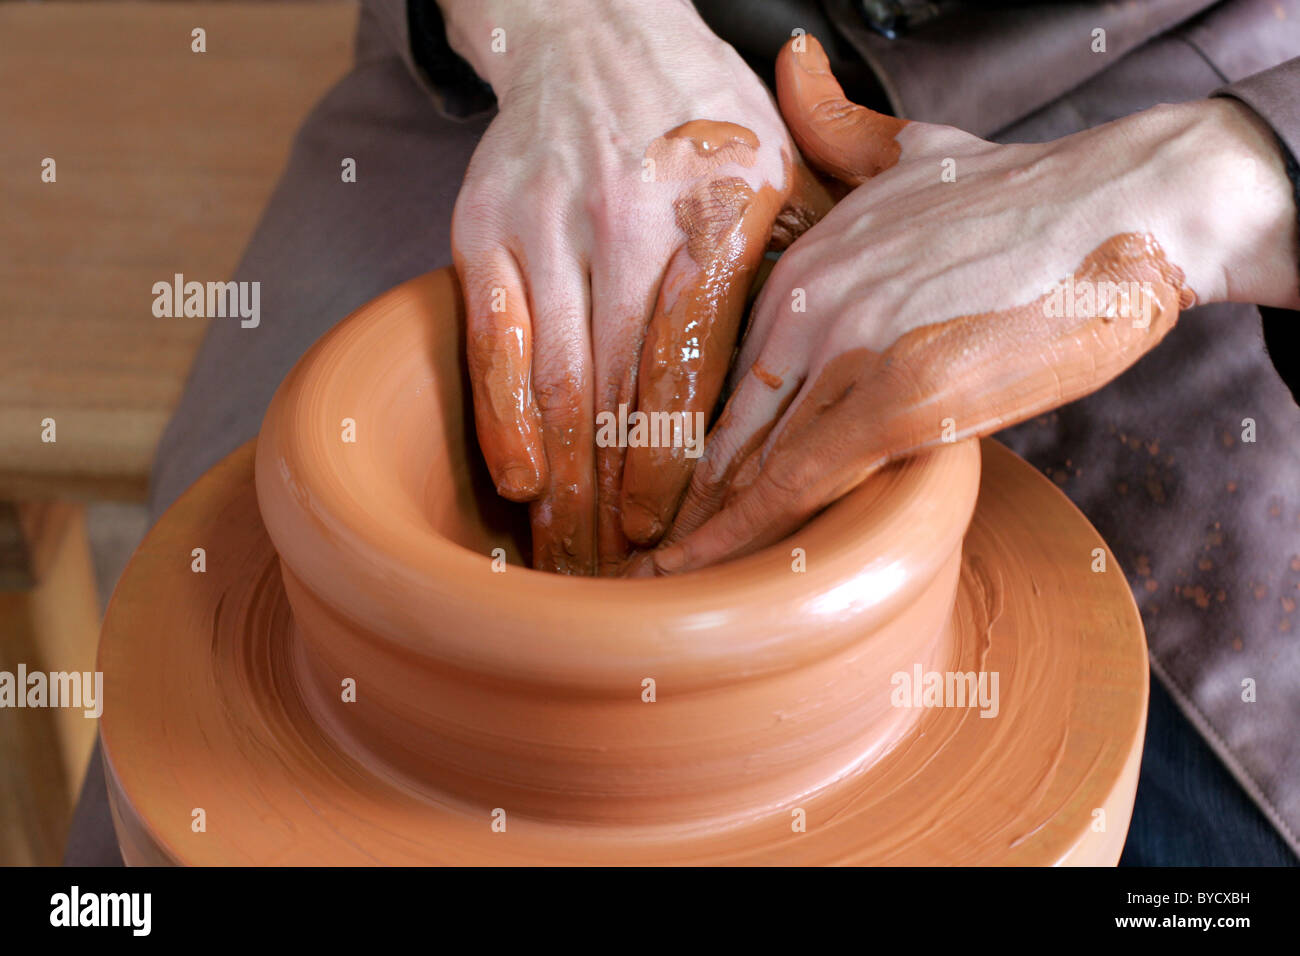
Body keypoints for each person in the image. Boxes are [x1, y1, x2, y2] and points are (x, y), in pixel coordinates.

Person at [66, 0, 1299, 864]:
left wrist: (1229, 173)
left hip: (1176, 108)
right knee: (220, 719)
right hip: (560, 76)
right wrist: (566, 22)